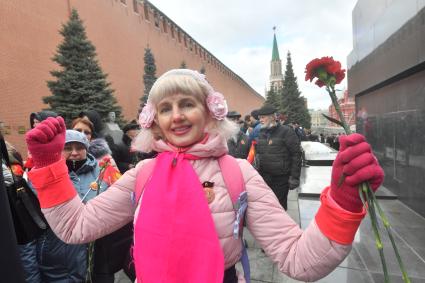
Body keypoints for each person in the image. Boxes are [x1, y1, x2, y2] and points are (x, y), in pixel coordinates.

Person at [26, 69, 384, 283]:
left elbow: (298, 258)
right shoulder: (144, 174)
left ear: (210, 113)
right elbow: (77, 228)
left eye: (187, 104)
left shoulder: (237, 173)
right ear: (155, 120)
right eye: (166, 108)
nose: (177, 116)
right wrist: (48, 166)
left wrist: (341, 205)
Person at [251, 105, 302, 210]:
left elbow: (296, 154)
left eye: (263, 117)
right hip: (265, 177)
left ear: (272, 117)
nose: (260, 120)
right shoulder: (261, 132)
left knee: (279, 207)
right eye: (259, 118)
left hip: (281, 178)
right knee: (267, 206)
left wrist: (294, 177)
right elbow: (259, 153)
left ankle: (281, 226)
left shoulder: (286, 131)